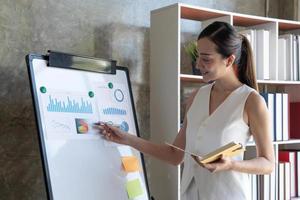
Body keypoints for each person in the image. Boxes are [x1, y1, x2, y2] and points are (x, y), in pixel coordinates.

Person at [95, 21, 275, 200]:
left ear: (229, 60)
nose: (197, 64)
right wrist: (126, 139)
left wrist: (231, 165)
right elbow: (174, 155)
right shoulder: (197, 97)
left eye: (206, 59)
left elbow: (268, 163)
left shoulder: (251, 101)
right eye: (198, 56)